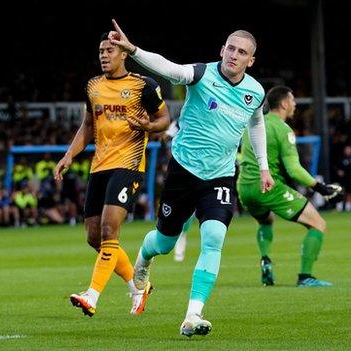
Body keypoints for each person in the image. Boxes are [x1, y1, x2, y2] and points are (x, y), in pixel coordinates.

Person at [108, 19, 274, 337]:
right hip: (183, 171)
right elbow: (170, 69)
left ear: (250, 60)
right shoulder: (201, 74)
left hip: (221, 176)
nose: (234, 55)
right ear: (222, 50)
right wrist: (132, 50)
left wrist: (264, 166)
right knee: (164, 242)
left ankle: (192, 315)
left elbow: (256, 124)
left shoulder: (255, 91)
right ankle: (143, 260)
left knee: (213, 238)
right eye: (231, 48)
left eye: (242, 52)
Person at [54, 32, 170, 317]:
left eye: (109, 50)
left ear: (123, 55)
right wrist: (69, 154)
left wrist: (148, 126)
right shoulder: (93, 86)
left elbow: (164, 120)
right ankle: (137, 287)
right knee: (94, 237)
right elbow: (87, 126)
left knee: (109, 230)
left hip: (128, 165)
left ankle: (91, 296)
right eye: (100, 51)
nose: (104, 55)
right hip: (100, 167)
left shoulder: (144, 85)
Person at [237, 86, 342, 287]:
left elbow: (240, 155)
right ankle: (305, 277)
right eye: (292, 101)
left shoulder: (251, 124)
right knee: (318, 224)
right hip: (268, 187)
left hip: (244, 188)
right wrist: (319, 186)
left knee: (266, 221)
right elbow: (293, 169)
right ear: (284, 104)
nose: (295, 105)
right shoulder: (283, 129)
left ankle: (265, 259)